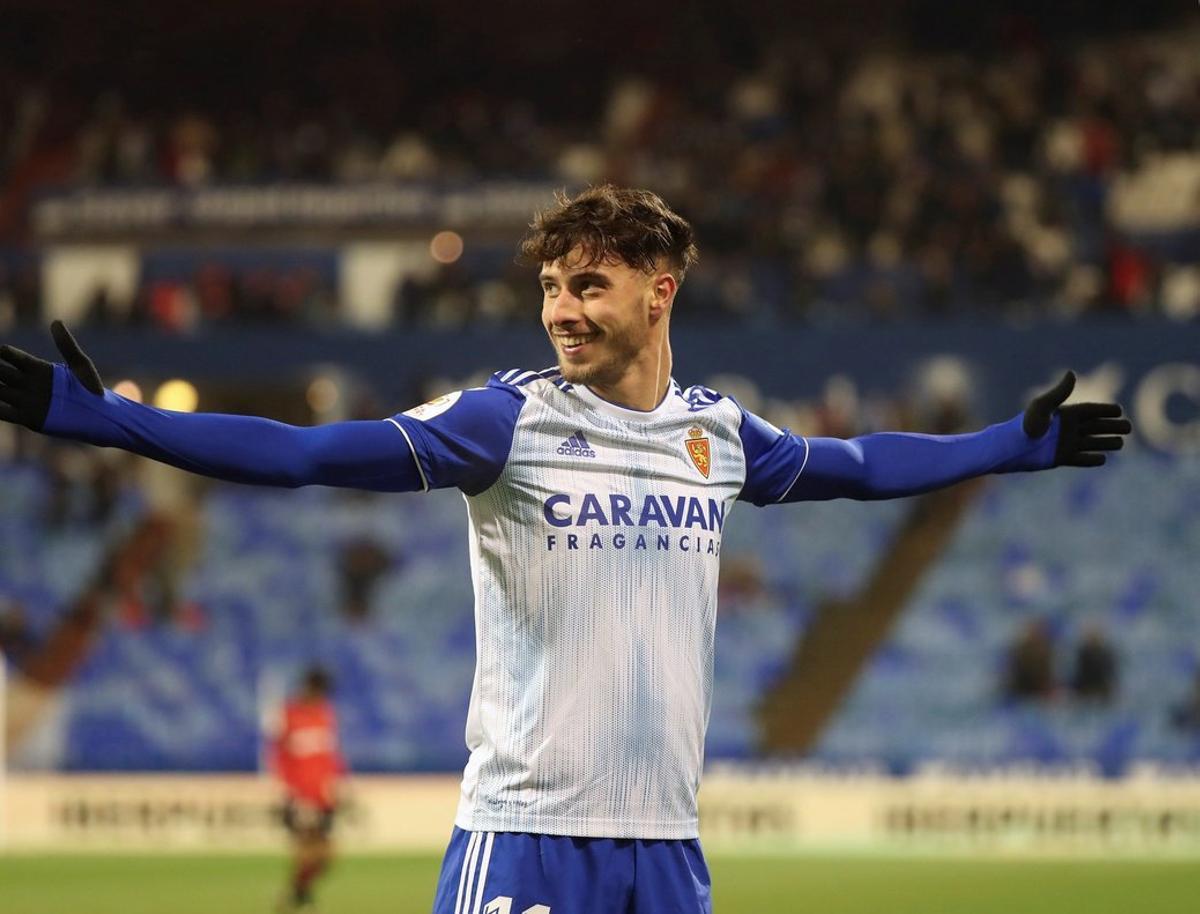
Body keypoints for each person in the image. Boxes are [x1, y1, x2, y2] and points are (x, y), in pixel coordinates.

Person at [0, 185, 1132, 913]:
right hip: (528, 840)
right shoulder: (508, 420)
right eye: (550, 286)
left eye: (588, 284)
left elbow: (861, 466)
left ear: (660, 290)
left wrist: (1012, 444)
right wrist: (110, 419)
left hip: (668, 852)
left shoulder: (717, 435)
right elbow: (308, 453)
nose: (561, 309)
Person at [270, 665, 343, 913]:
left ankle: (296, 893)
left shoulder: (325, 714)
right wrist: (291, 792)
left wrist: (337, 784)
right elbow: (279, 757)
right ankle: (300, 898)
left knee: (327, 856)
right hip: (301, 797)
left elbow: (330, 757)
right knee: (308, 851)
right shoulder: (289, 715)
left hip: (324, 797)